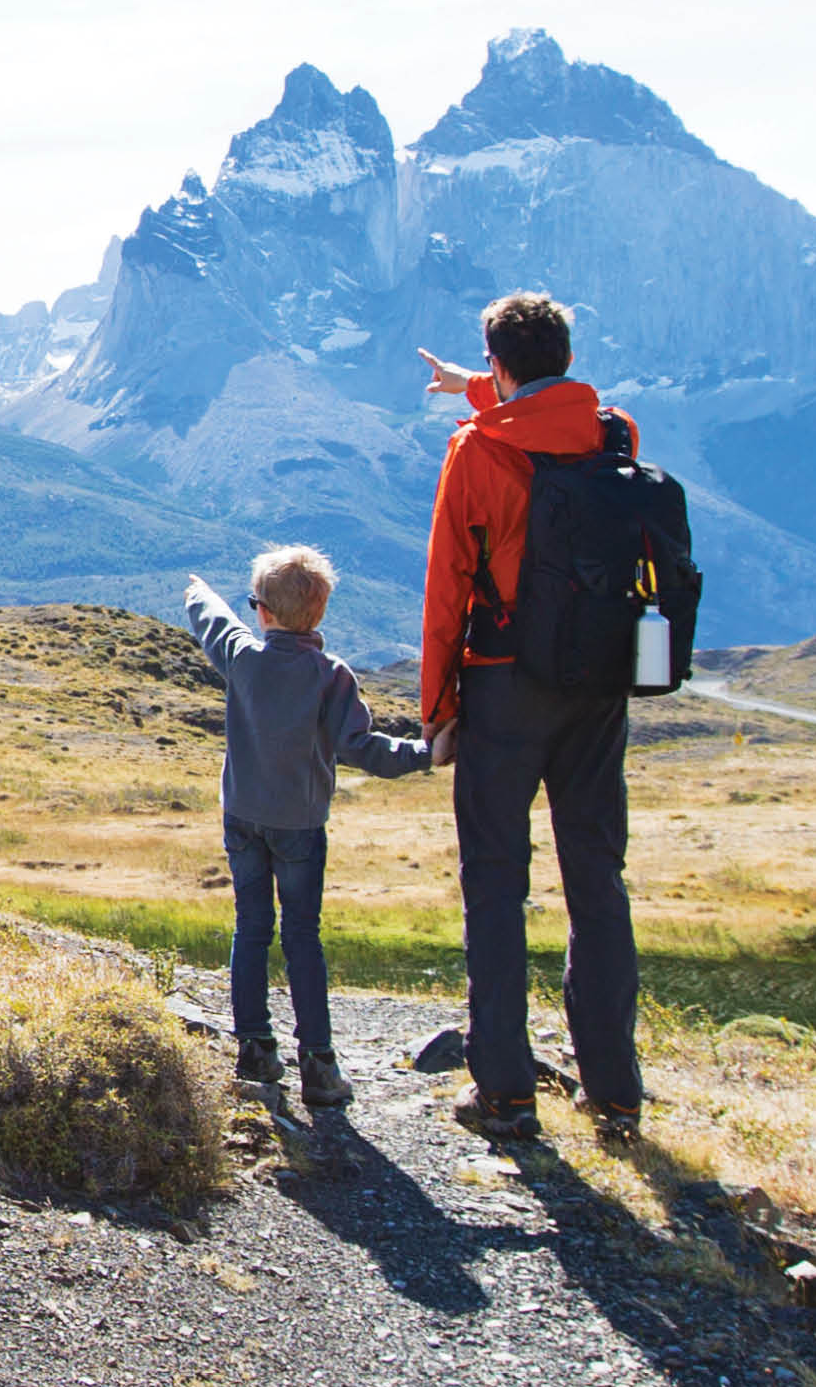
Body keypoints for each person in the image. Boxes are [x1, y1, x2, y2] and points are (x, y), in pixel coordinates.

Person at [418, 292, 645, 1144]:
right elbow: (552, 422)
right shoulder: (615, 434)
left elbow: (448, 587)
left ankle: (507, 1092)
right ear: (566, 354)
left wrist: (439, 707)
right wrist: (478, 384)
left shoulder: (477, 452)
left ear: (501, 360)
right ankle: (615, 1092)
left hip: (506, 684)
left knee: (495, 881)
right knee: (597, 879)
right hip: (598, 684)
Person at [182, 546, 433, 1109]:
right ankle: (318, 1065)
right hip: (300, 826)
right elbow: (362, 748)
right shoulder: (331, 676)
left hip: (242, 818)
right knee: (302, 938)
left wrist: (196, 589)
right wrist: (426, 752)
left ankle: (255, 1050)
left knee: (251, 930)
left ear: (262, 612)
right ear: (317, 613)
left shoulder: (243, 657)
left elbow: (212, 623)